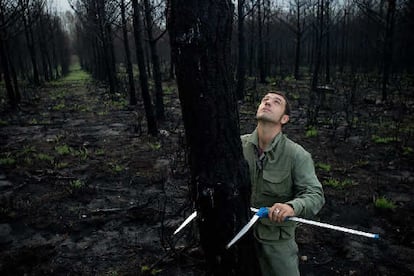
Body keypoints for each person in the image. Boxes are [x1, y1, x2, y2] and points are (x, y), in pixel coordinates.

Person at [241, 91, 325, 275]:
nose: (267, 103)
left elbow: (315, 195)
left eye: (276, 102)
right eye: (264, 100)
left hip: (276, 241)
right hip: (238, 234)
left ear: (284, 118)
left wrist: (292, 207)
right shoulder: (238, 146)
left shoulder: (297, 155)